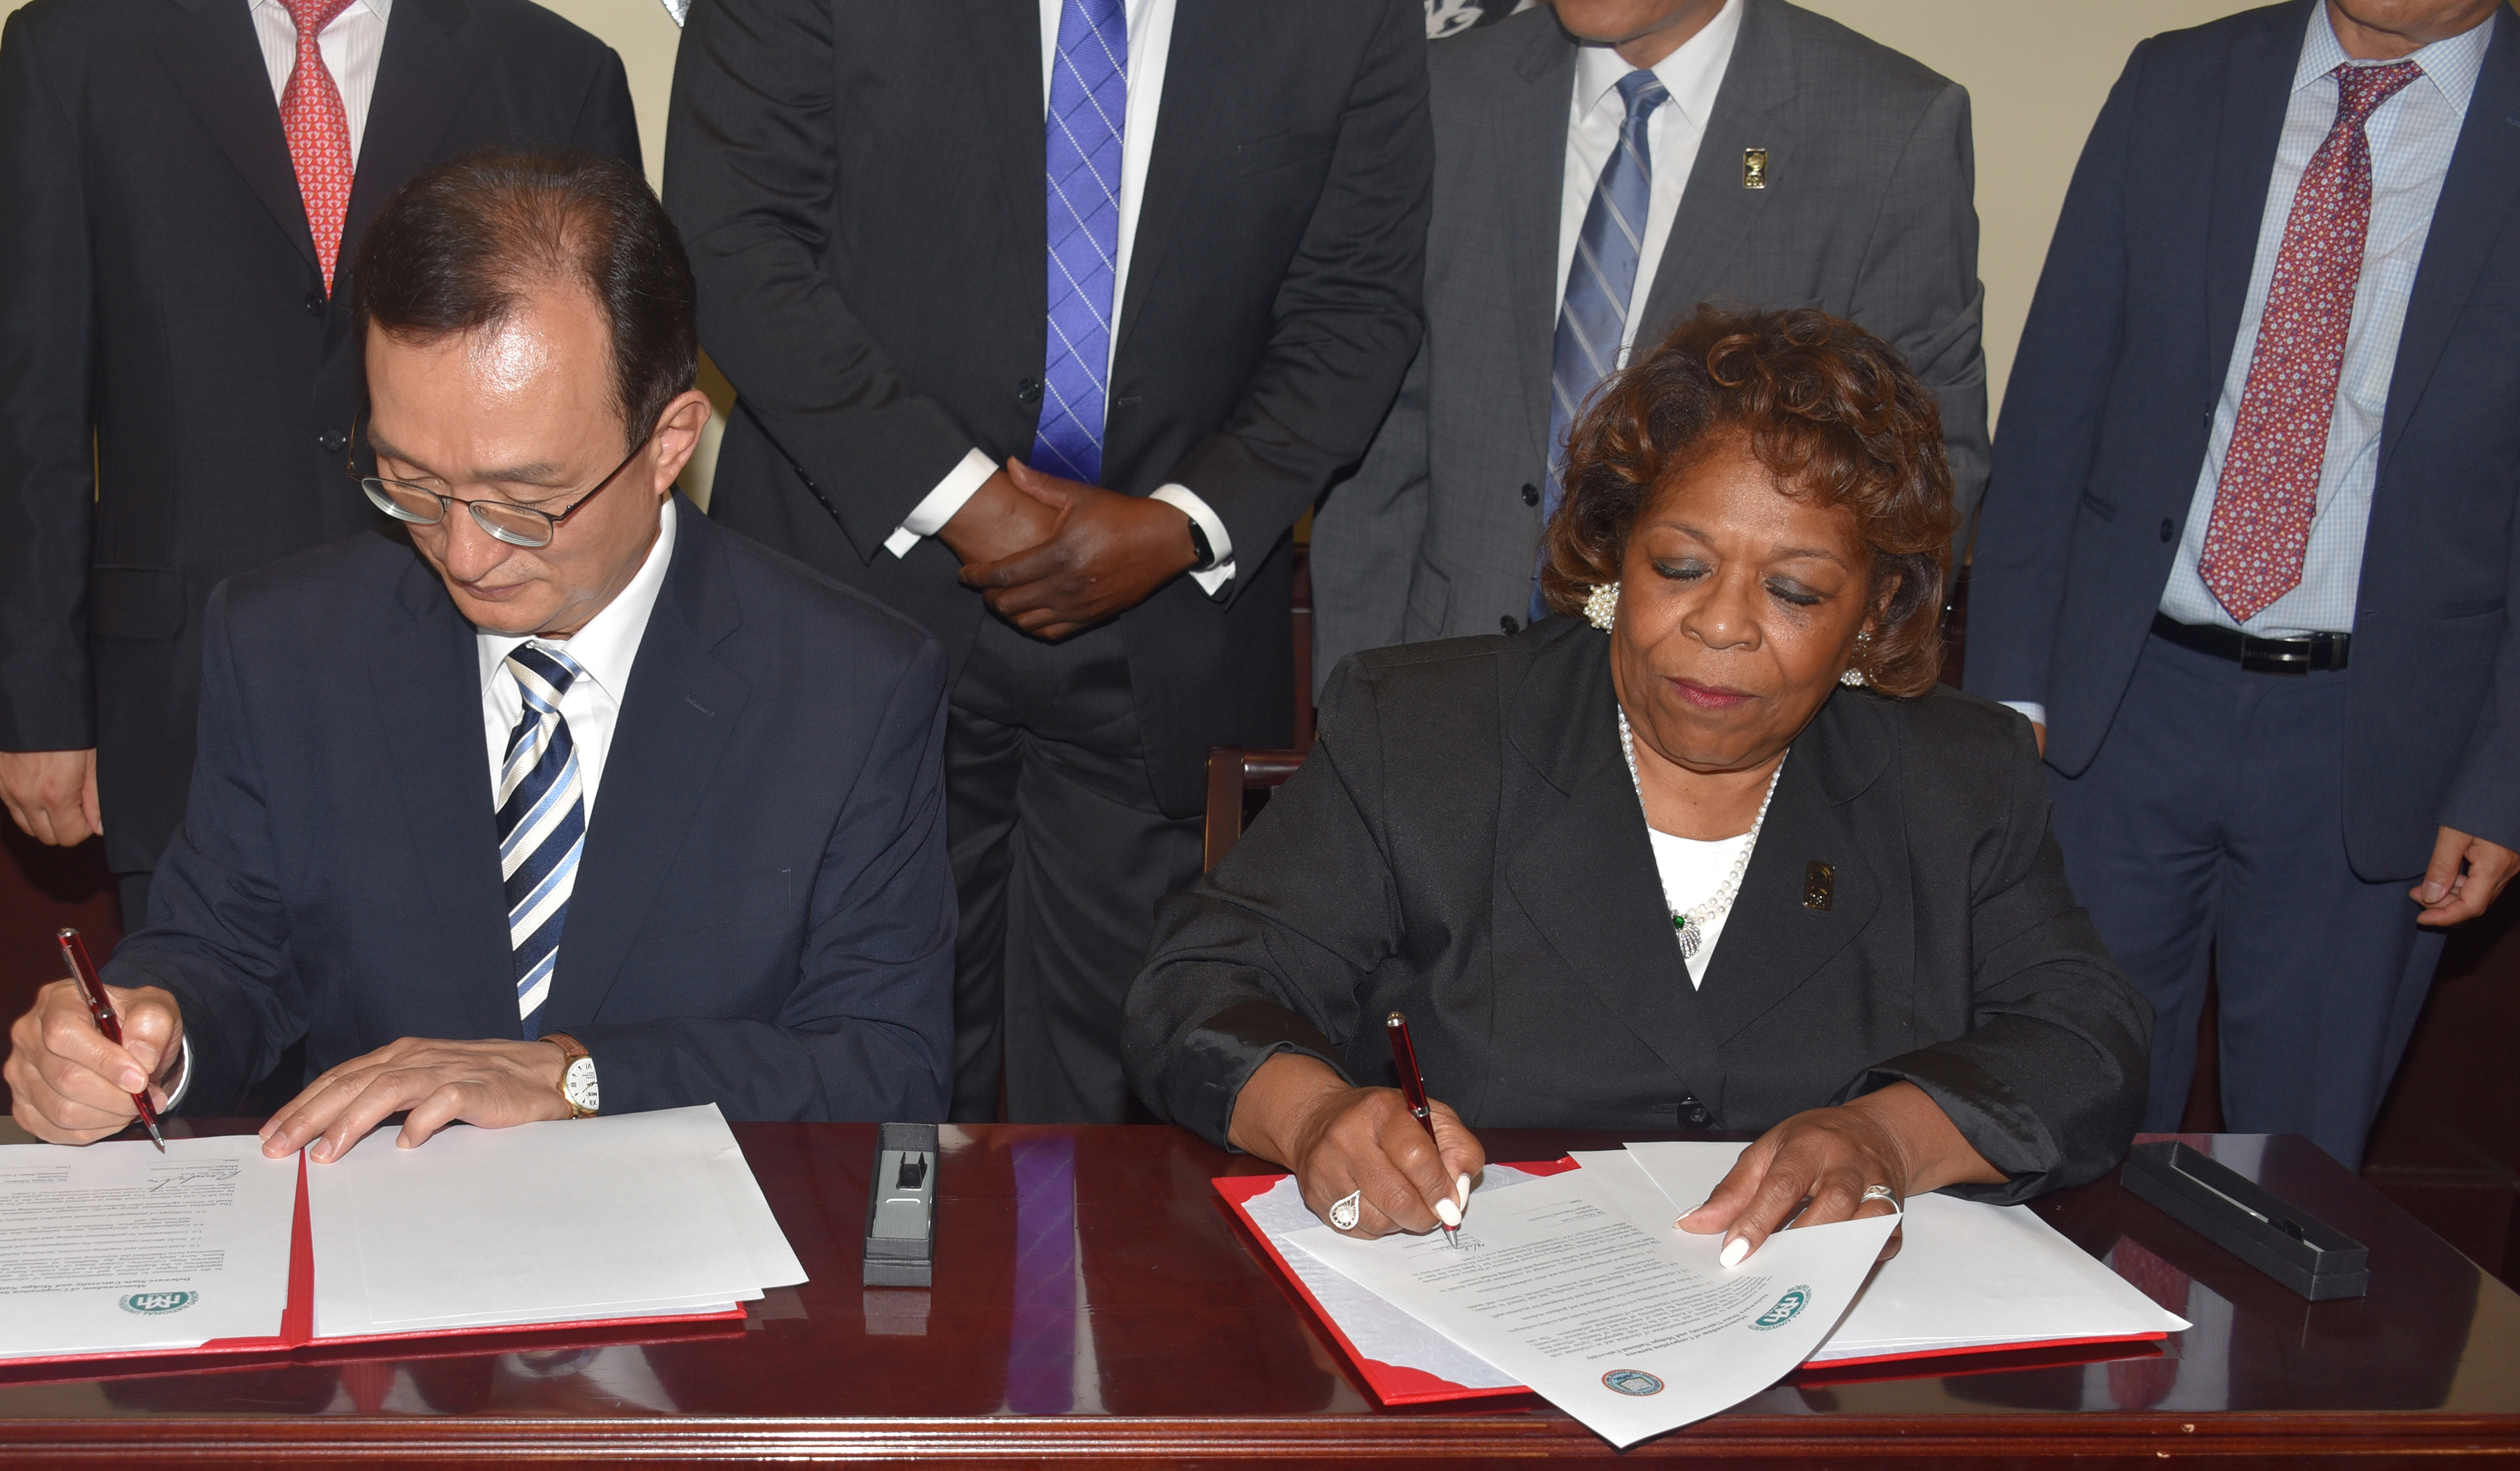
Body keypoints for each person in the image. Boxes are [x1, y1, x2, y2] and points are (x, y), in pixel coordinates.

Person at [1127, 307, 2143, 1471]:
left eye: (1794, 590)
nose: (1718, 627)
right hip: (1481, 1459)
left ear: (1875, 614)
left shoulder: (1953, 780)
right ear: (1608, 552)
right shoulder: (1426, 730)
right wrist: (1314, 1115)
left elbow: (2087, 1036)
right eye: (1676, 566)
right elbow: (1197, 983)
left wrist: (1883, 1133)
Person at [3, 149, 955, 1168]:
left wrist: (576, 1077)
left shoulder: (849, 685)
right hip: (385, 1267)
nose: (465, 554)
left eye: (523, 501)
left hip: (704, 1275)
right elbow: (225, 955)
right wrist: (147, 1038)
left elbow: (884, 1069)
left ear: (671, 440)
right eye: (410, 484)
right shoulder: (289, 645)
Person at [663, 0, 1431, 1126]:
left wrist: (1180, 523)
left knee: (1137, 1124)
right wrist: (967, 500)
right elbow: (731, 240)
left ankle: (1083, 1315)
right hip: (858, 608)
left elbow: (1357, 310)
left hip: (1165, 638)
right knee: (853, 1101)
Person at [1964, 0, 2519, 1171]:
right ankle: (2084, 1361)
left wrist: (2505, 776)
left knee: (2300, 1164)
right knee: (2067, 1115)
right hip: (2121, 708)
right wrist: (2007, 690)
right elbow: (2058, 388)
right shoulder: (2179, 82)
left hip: (2382, 742)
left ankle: (2265, 1365)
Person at [0, 0, 642, 929]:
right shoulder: (75, 51)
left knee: (437, 1064)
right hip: (179, 701)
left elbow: (613, 412)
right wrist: (38, 703)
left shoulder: (555, 71)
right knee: (197, 1043)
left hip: (479, 686)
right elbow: (29, 403)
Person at [1310, 0, 1990, 685]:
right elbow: (1381, 447)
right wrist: (1356, 706)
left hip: (1734, 709)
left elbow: (1922, 480)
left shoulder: (1884, 131)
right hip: (1448, 685)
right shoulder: (1444, 94)